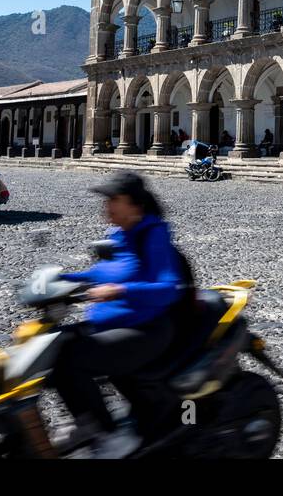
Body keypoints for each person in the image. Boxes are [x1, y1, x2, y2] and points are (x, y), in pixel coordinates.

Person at [51, 172, 185, 457]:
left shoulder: (153, 234)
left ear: (135, 205)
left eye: (114, 199)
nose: (107, 206)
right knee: (53, 345)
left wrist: (120, 290)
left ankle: (107, 435)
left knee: (75, 359)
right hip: (112, 323)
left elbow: (168, 287)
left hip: (146, 328)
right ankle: (86, 421)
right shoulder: (121, 235)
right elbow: (99, 273)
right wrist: (61, 279)